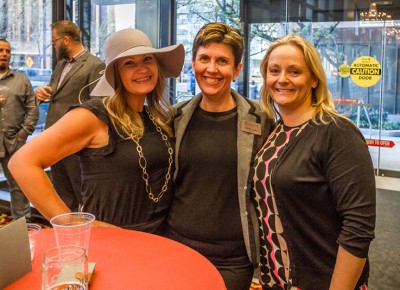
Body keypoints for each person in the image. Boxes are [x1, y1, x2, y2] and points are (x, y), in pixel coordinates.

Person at [9, 28, 185, 233]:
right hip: (111, 240)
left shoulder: (155, 118)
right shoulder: (95, 116)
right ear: (115, 73)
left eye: (147, 59)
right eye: (129, 63)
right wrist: (68, 222)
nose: (142, 69)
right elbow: (22, 163)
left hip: (158, 237)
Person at [252, 34, 376, 289]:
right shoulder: (275, 132)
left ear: (314, 79)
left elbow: (358, 227)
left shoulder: (336, 132)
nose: (282, 79)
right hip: (276, 279)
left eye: (294, 71)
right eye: (274, 70)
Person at [165, 23, 274, 290]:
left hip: (234, 258)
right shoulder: (175, 118)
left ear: (236, 69)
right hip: (177, 246)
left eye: (222, 61)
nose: (211, 69)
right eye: (204, 58)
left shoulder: (261, 119)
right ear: (193, 63)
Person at [35, 20, 105, 212]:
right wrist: (42, 93)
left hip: (76, 144)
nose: (54, 45)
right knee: (62, 195)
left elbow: (98, 106)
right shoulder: (61, 65)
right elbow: (55, 93)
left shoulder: (95, 65)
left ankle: (86, 236)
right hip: (54, 142)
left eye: (55, 40)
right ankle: (67, 236)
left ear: (66, 39)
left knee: (81, 196)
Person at [0, 39, 39, 222]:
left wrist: (23, 134)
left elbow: (33, 109)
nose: (4, 54)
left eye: (7, 51)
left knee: (18, 186)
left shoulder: (21, 80)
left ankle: (23, 229)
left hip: (14, 143)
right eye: (1, 50)